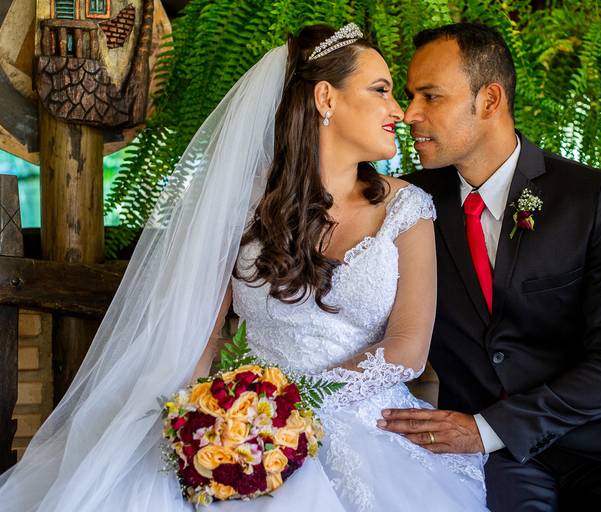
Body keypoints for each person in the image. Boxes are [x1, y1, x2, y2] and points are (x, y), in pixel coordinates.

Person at [0, 24, 487, 511]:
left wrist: (286, 406)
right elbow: (200, 336)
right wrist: (199, 418)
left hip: (367, 430)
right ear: (325, 98)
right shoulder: (239, 203)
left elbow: (407, 350)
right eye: (381, 90)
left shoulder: (407, 208)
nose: (399, 111)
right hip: (242, 423)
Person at [379, 22, 601, 511]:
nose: (409, 114)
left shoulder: (589, 197)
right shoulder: (408, 205)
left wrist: (487, 429)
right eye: (409, 96)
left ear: (489, 100)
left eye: (430, 96)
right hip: (491, 465)